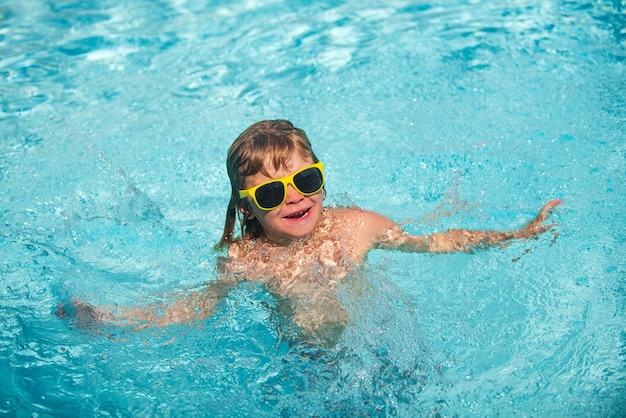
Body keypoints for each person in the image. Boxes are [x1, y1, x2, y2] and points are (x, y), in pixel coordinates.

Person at [57, 119, 561, 346]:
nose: (295, 197)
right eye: (272, 194)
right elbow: (196, 307)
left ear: (320, 175)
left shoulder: (358, 226)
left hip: (385, 341)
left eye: (305, 180)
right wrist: (116, 318)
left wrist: (516, 235)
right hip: (311, 361)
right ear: (248, 209)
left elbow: (432, 241)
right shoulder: (245, 259)